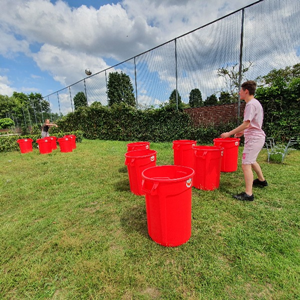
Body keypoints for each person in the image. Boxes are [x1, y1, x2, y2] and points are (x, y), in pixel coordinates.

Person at [220, 80, 268, 201]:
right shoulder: (255, 103)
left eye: (240, 90)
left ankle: (248, 194)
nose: (239, 93)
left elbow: (246, 124)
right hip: (256, 137)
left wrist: (228, 134)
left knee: (246, 164)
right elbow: (252, 124)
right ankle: (262, 181)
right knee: (252, 161)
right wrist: (243, 132)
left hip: (254, 139)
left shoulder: (251, 104)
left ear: (246, 91)